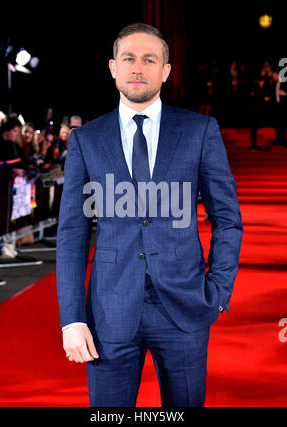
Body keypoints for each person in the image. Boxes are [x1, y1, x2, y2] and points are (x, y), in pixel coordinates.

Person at [56, 23, 243, 407]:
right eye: (129, 58)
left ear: (166, 70)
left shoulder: (199, 131)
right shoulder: (85, 140)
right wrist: (72, 318)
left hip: (185, 309)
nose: (137, 68)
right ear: (113, 67)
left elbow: (227, 218)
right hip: (109, 311)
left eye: (149, 59)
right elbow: (72, 234)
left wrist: (219, 291)